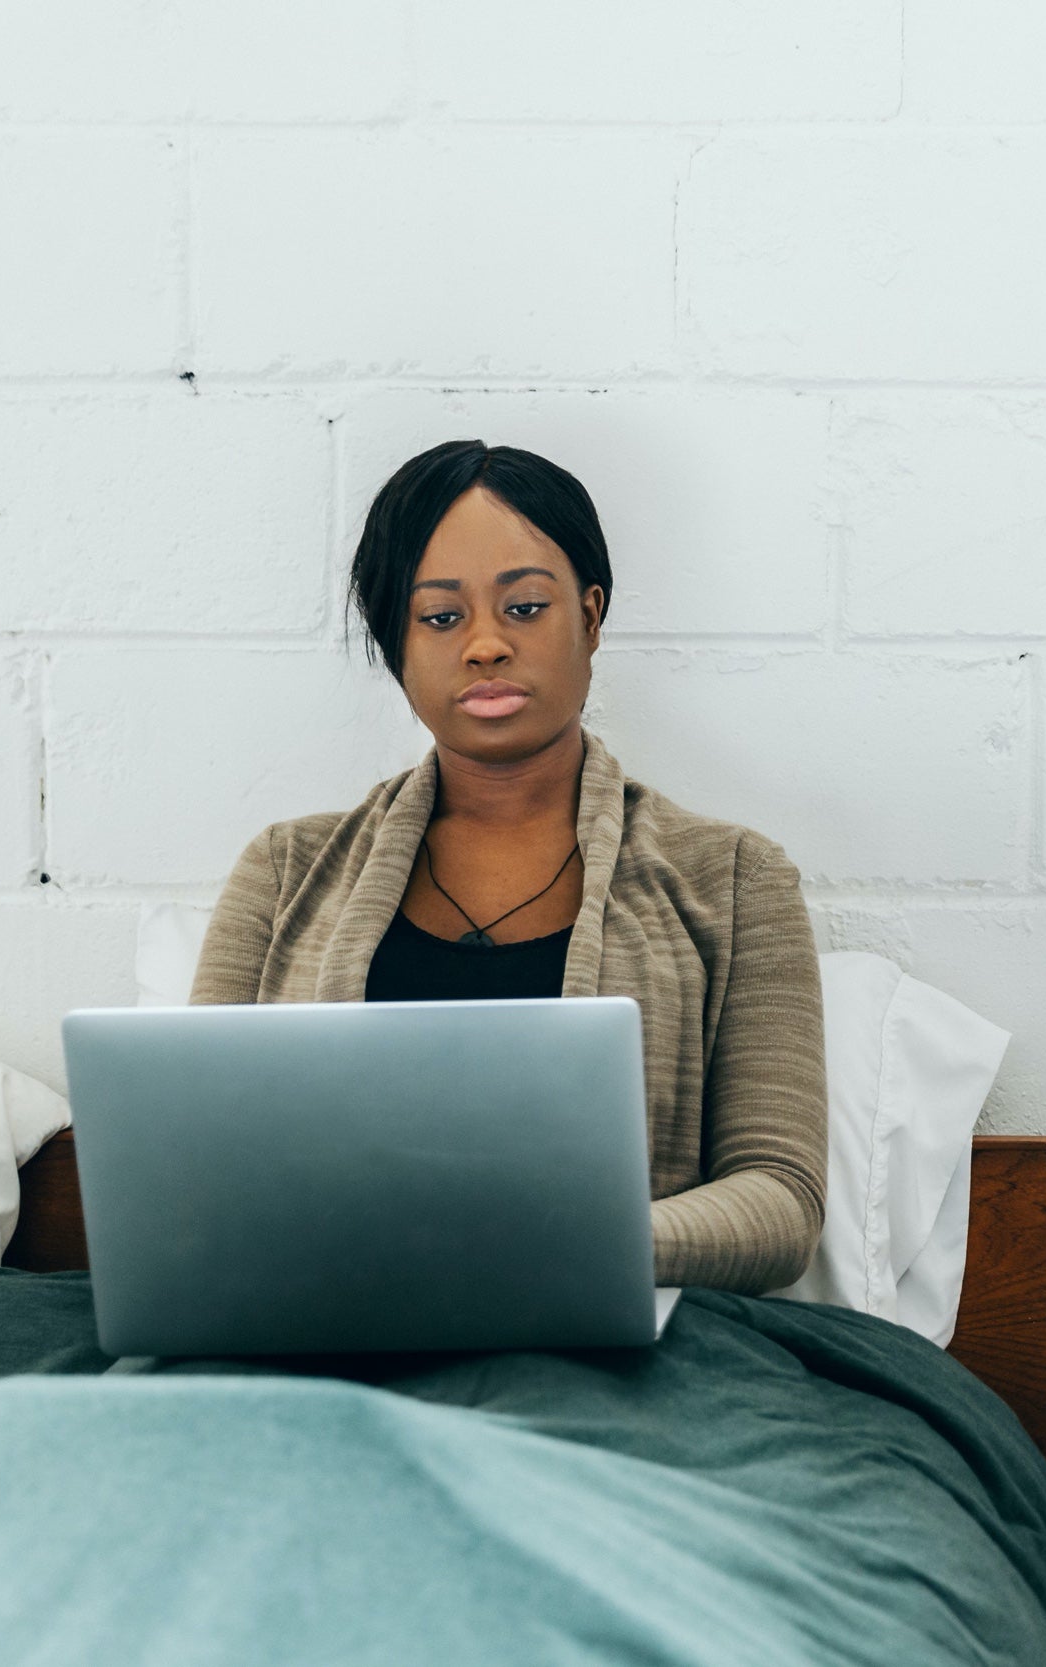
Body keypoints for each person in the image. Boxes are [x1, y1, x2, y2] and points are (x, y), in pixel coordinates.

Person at [188, 440, 826, 1294]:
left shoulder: (737, 879)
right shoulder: (284, 873)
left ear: (591, 619)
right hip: (330, 1325)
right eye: (441, 617)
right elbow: (198, 1171)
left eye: (524, 607)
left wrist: (548, 1245)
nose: (486, 645)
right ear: (395, 644)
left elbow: (780, 1198)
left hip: (611, 1338)